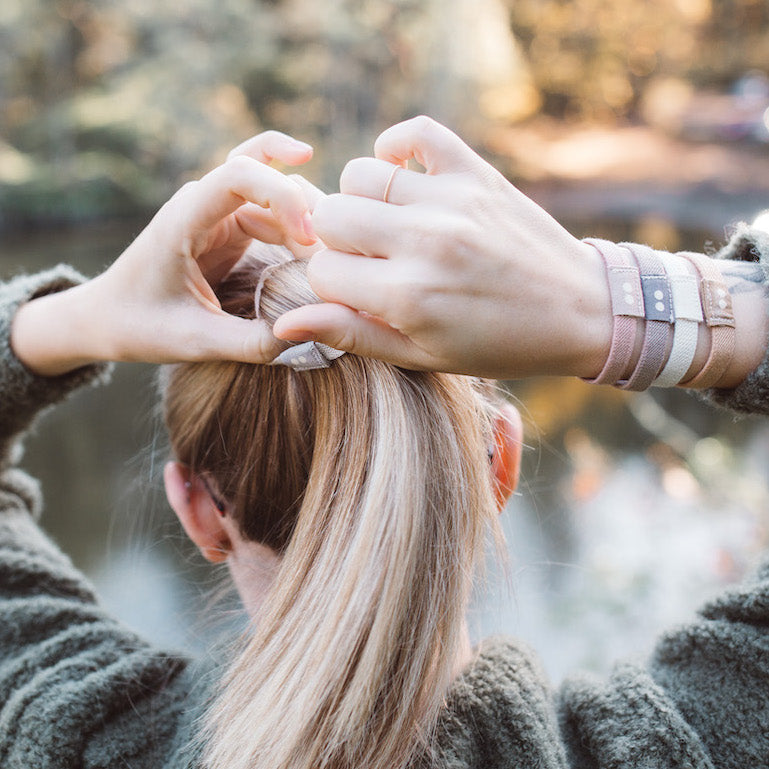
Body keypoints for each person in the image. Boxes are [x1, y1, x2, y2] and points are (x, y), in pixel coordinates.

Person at [1, 124, 768, 769]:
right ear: (497, 464)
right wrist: (612, 304)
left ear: (199, 510)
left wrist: (83, 316)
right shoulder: (690, 744)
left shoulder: (78, 736)